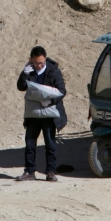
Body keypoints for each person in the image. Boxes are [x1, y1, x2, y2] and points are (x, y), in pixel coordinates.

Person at [16, 46, 67, 182]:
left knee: (50, 144)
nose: (39, 65)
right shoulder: (30, 70)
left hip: (48, 114)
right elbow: (21, 87)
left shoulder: (53, 71)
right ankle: (29, 172)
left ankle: (50, 172)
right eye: (37, 63)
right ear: (31, 60)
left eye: (42, 62)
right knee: (30, 143)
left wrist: (50, 101)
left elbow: (62, 90)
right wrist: (24, 74)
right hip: (33, 114)